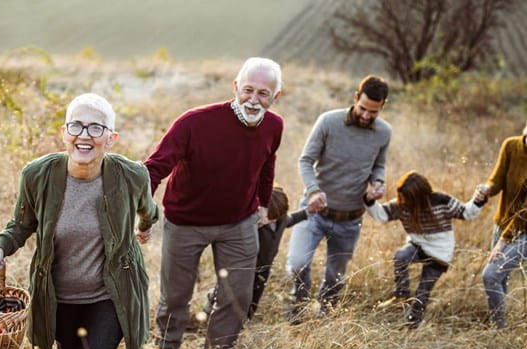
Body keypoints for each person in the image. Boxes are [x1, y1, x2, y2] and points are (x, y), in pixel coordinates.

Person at [0, 93, 158, 349]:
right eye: (77, 125)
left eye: (96, 127)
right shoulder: (38, 175)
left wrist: (146, 226)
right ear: (64, 132)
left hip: (110, 292)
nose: (85, 134)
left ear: (111, 138)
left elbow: (149, 209)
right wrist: (1, 247)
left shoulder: (131, 175)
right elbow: (21, 223)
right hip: (57, 293)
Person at [144, 57, 283, 349]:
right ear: (235, 87)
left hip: (239, 221)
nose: (253, 99)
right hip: (186, 221)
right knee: (177, 293)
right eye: (247, 90)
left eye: (263, 93)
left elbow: (267, 162)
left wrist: (262, 203)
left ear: (276, 97)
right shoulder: (194, 123)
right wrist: (143, 214)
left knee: (238, 294)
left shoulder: (275, 126)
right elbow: (154, 168)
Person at [286, 75, 391, 323]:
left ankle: (325, 317)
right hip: (314, 212)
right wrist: (313, 190)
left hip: (350, 219)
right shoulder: (328, 122)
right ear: (355, 98)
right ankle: (298, 309)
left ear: (382, 106)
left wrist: (378, 183)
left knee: (335, 277)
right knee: (298, 263)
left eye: (373, 112)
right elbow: (305, 161)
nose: (366, 116)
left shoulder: (384, 132)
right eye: (363, 108)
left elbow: (379, 166)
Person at [364, 171, 486, 328]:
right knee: (401, 256)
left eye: (408, 198)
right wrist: (369, 200)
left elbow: (466, 213)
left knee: (423, 291)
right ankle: (401, 295)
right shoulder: (402, 205)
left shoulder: (441, 201)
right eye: (402, 197)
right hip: (418, 245)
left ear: (420, 196)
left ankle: (411, 325)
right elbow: (381, 214)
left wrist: (478, 200)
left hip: (440, 253)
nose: (404, 201)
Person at [204, 186, 308, 320]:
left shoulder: (281, 220)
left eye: (274, 219)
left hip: (264, 269)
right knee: (228, 293)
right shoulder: (252, 224)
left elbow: (290, 220)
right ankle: (212, 306)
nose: (269, 221)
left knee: (253, 300)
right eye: (269, 218)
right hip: (243, 266)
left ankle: (244, 322)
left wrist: (307, 212)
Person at [480, 122, 527, 328]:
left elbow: (524, 214)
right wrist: (486, 189)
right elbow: (497, 180)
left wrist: (502, 241)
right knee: (501, 279)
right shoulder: (511, 146)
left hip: (523, 231)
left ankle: (500, 331)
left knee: (490, 276)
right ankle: (501, 325)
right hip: (502, 223)